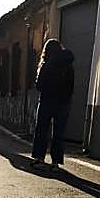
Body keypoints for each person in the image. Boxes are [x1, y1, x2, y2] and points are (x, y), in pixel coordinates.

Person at [32, 38, 76, 169]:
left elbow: (39, 85)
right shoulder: (69, 65)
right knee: (59, 133)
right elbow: (71, 85)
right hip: (64, 103)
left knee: (42, 130)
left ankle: (40, 159)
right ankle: (56, 163)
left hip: (47, 101)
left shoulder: (47, 65)